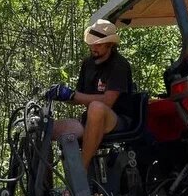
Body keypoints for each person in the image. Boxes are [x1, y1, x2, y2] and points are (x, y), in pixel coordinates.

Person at [46, 18, 134, 170]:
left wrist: (73, 95)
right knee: (43, 128)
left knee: (96, 108)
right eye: (92, 43)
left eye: (98, 44)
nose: (93, 47)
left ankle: (81, 171)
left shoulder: (119, 65)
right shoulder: (88, 63)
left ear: (110, 45)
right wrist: (62, 94)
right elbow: (79, 97)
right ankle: (42, 188)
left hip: (118, 120)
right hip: (90, 120)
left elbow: (107, 102)